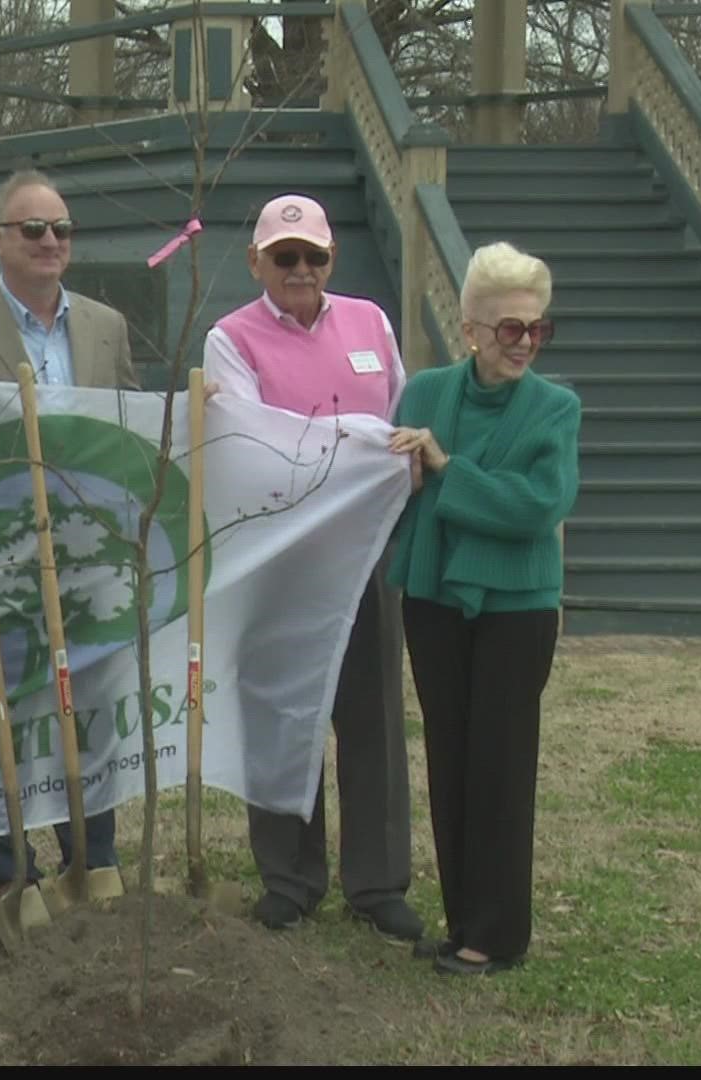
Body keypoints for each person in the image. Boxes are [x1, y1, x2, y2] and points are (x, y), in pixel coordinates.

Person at [201, 192, 425, 944]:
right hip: (281, 562)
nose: (300, 269)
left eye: (313, 256)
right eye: (284, 256)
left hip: (364, 554)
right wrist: (351, 441)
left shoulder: (372, 322)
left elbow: (397, 415)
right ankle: (289, 878)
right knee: (281, 714)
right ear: (257, 261)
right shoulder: (229, 338)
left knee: (372, 719)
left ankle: (377, 881)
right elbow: (248, 441)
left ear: (332, 258)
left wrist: (388, 448)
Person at [0, 168, 132, 898]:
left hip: (88, 552)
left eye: (61, 229)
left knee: (93, 706)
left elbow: (125, 434)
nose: (51, 241)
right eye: (33, 229)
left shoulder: (107, 327)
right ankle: (13, 873)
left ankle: (93, 859)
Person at [387, 242, 578, 976]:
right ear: (469, 328)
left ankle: (497, 934)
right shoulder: (425, 392)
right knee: (449, 756)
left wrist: (447, 470)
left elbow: (538, 506)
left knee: (500, 764)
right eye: (509, 329)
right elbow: (392, 483)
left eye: (537, 328)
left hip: (516, 609)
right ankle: (463, 914)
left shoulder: (555, 409)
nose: (525, 342)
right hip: (433, 598)